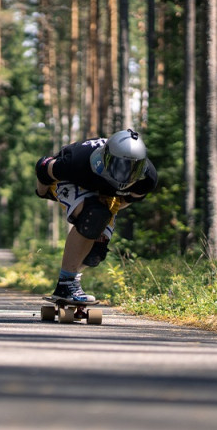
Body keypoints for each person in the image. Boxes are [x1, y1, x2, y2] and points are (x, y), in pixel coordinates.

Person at [35, 129, 158, 303]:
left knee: (95, 254)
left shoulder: (147, 178)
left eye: (133, 169)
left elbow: (125, 201)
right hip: (73, 181)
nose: (126, 174)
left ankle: (69, 280)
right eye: (120, 166)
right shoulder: (78, 162)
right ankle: (66, 283)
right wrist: (43, 193)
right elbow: (42, 166)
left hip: (106, 192)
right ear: (106, 158)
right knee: (94, 216)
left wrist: (103, 217)